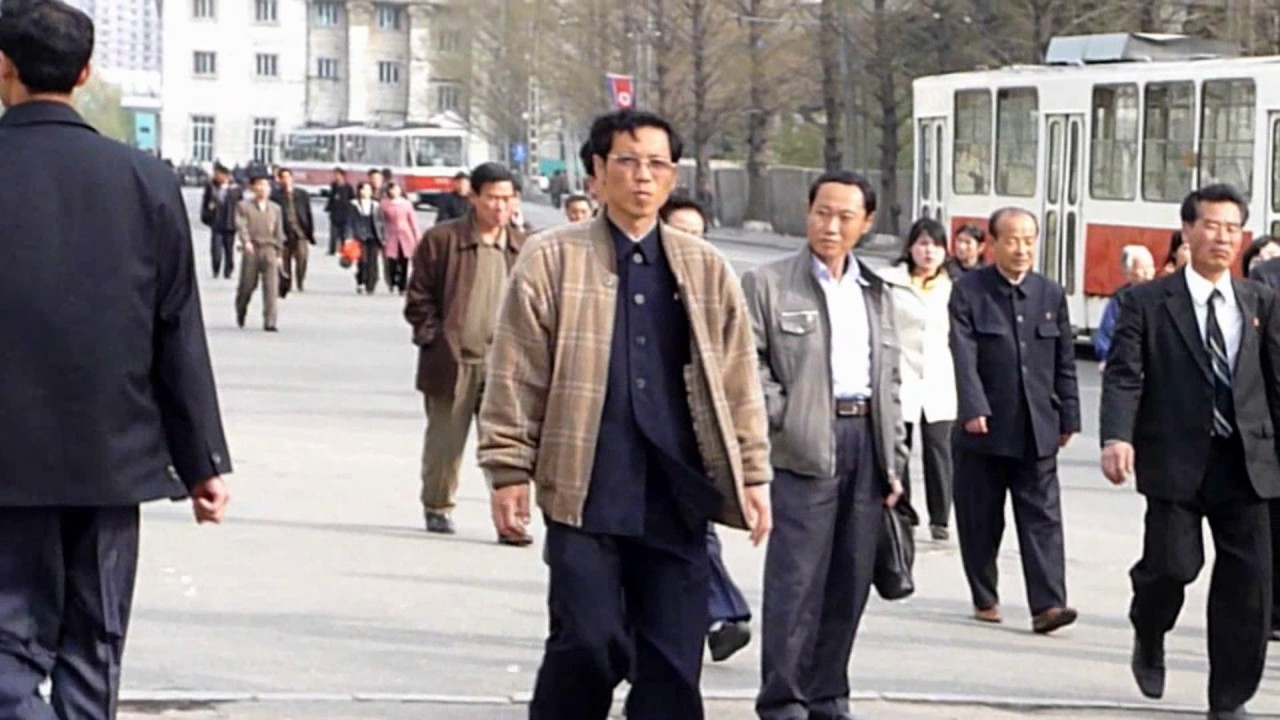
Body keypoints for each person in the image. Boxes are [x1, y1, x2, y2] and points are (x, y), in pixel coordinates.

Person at [477, 109, 772, 720]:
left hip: (676, 495)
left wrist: (751, 473)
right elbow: (515, 371)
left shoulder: (703, 267)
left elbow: (739, 380)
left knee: (673, 665)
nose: (643, 176)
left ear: (672, 176)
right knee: (588, 643)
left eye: (657, 164)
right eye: (628, 161)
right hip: (585, 487)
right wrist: (507, 469)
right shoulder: (552, 258)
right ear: (597, 171)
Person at [0, 2, 231, 716]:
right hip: (111, 458)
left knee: (7, 649)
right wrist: (202, 460)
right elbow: (176, 331)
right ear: (85, 73)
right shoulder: (145, 180)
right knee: (93, 644)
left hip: (6, 463)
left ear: (3, 69)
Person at [1101, 184, 1280, 720]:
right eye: (1211, 226)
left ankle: (1229, 699)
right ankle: (1149, 627)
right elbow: (1124, 376)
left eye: (1232, 228)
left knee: (1249, 588)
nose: (1222, 238)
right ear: (1186, 231)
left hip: (1246, 463)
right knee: (1173, 566)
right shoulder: (1146, 302)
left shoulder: (1260, 301)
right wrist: (1116, 436)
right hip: (1175, 460)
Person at [745, 170, 906, 720]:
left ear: (866, 223)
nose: (830, 227)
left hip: (866, 442)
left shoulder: (877, 292)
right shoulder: (769, 283)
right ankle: (783, 701)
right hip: (804, 446)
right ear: (807, 212)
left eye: (844, 217)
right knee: (795, 583)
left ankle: (828, 697)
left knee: (849, 582)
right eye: (822, 213)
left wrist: (895, 460)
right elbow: (748, 364)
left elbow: (890, 380)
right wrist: (785, 418)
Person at [948, 206, 1081, 634]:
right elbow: (963, 352)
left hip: (1036, 428)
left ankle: (1049, 605)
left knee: (1043, 518)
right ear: (993, 244)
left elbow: (1064, 360)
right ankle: (985, 595)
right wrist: (973, 406)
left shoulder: (1050, 294)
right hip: (984, 430)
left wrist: (1069, 415)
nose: (1022, 249)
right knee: (981, 519)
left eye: (1029, 240)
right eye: (1012, 240)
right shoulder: (969, 291)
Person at [406, 162, 527, 541]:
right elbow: (418, 298)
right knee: (445, 441)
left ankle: (510, 518)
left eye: (507, 198)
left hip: (505, 366)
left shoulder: (524, 246)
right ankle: (438, 505)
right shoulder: (443, 240)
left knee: (507, 448)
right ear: (473, 197)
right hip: (454, 360)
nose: (499, 206)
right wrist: (434, 338)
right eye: (491, 197)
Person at [656, 193, 753, 661]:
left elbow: (738, 371)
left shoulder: (716, 289)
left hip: (694, 434)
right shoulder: (630, 283)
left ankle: (720, 614)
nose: (690, 244)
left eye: (698, 235)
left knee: (694, 528)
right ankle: (717, 614)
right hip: (634, 435)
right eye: (680, 233)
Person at [879, 217, 957, 541]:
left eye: (936, 245)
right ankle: (904, 512)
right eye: (923, 244)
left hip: (939, 377)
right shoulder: (889, 283)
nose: (929, 251)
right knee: (900, 446)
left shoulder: (954, 288)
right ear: (910, 247)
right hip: (901, 374)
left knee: (939, 449)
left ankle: (940, 518)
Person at [234, 167, 285, 331]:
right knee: (247, 285)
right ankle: (241, 308)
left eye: (266, 185)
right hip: (252, 250)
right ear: (253, 188)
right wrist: (246, 241)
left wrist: (280, 254)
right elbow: (241, 226)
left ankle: (270, 321)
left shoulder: (275, 209)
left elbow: (279, 232)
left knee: (271, 287)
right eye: (260, 185)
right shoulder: (244, 206)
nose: (263, 189)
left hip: (270, 249)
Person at [1093, 245, 1155, 364]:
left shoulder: (1161, 296)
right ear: (1129, 273)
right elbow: (1105, 336)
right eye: (1142, 268)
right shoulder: (1120, 299)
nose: (1147, 273)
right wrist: (1109, 360)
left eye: (1150, 267)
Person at [271, 167, 315, 293]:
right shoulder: (275, 196)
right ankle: (287, 282)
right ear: (279, 180)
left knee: (302, 257)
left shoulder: (302, 194)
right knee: (286, 260)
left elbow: (308, 213)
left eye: (288, 177)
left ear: (292, 178)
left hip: (300, 232)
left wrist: (310, 232)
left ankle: (300, 280)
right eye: (283, 178)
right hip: (284, 232)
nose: (286, 180)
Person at [200, 162, 241, 279]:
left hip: (230, 223)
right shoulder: (211, 186)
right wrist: (207, 213)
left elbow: (240, 205)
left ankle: (228, 270)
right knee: (216, 249)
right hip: (216, 222)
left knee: (229, 250)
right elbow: (205, 202)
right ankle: (216, 268)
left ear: (225, 175)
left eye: (218, 173)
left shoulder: (235, 188)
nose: (216, 176)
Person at [380, 181, 420, 295]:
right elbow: (381, 221)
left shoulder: (406, 204)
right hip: (391, 235)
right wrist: (382, 235)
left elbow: (413, 221)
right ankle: (392, 279)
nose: (394, 191)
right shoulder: (384, 204)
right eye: (392, 189)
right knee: (391, 260)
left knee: (404, 261)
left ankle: (402, 285)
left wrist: (417, 236)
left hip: (405, 235)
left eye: (396, 189)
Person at [349, 180, 386, 294]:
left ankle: (371, 284)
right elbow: (349, 222)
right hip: (359, 236)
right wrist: (348, 236)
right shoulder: (353, 204)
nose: (366, 192)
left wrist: (383, 236)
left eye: (368, 189)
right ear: (359, 191)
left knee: (373, 261)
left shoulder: (376, 205)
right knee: (362, 261)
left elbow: (381, 222)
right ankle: (361, 281)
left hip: (373, 236)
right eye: (364, 189)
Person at [325, 167, 355, 255]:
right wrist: (328, 208)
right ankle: (332, 249)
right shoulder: (334, 186)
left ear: (342, 176)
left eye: (338, 175)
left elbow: (352, 199)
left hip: (345, 213)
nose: (336, 177)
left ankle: (343, 249)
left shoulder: (348, 187)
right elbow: (331, 198)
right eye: (335, 175)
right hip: (335, 212)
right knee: (333, 233)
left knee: (343, 233)